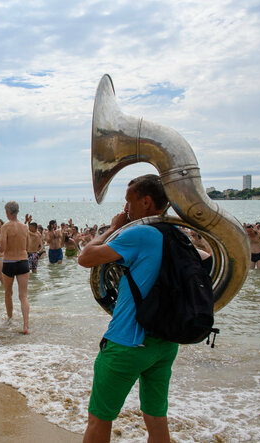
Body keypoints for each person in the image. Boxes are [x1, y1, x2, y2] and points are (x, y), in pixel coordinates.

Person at [78, 174, 177, 443]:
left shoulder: (141, 233)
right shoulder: (175, 233)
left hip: (127, 343)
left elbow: (85, 258)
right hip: (164, 342)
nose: (125, 209)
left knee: (99, 419)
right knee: (156, 419)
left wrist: (112, 228)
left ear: (146, 202)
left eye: (128, 202)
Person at [0, 201, 30, 334]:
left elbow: (2, 249)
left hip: (9, 262)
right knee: (23, 296)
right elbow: (28, 246)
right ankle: (25, 326)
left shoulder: (5, 227)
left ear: (7, 212)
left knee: (8, 293)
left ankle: (9, 318)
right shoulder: (25, 227)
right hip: (23, 261)